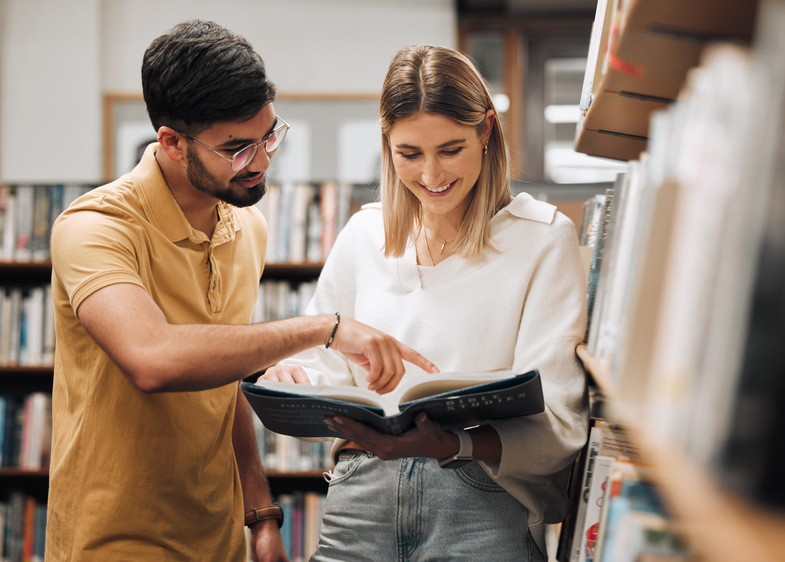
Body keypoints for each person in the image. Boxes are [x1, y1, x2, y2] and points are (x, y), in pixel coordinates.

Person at [45, 21, 436, 562]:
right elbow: (154, 360)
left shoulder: (245, 226)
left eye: (270, 135)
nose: (261, 161)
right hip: (115, 539)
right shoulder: (94, 228)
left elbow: (221, 377)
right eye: (236, 148)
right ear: (172, 143)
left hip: (220, 535)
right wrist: (326, 328)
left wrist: (260, 515)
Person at [260, 44, 589, 561]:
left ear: (485, 131)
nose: (431, 176)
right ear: (387, 143)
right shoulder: (363, 233)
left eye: (451, 149)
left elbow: (560, 427)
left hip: (478, 501)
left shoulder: (544, 239)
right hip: (359, 495)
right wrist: (294, 378)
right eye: (409, 154)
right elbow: (319, 367)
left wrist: (450, 444)